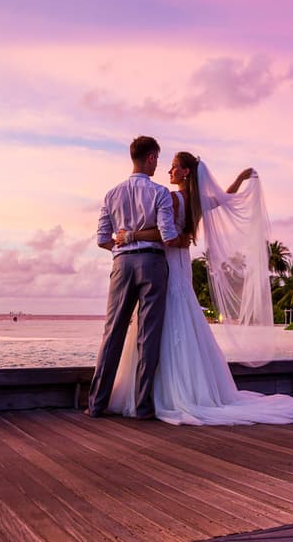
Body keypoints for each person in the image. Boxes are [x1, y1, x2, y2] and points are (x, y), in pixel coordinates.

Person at [106, 152, 293, 425]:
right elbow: (226, 198)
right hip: (182, 266)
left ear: (186, 172)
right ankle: (191, 388)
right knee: (183, 318)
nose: (169, 172)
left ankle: (161, 392)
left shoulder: (172, 198)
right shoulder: (198, 201)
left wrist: (130, 235)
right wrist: (240, 179)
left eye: (174, 168)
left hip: (167, 264)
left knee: (156, 325)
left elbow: (166, 236)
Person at [86, 136, 185, 420]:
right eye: (158, 159)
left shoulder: (111, 194)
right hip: (152, 263)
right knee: (148, 335)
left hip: (122, 264)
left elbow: (102, 239)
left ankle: (96, 404)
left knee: (112, 332)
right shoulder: (160, 193)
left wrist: (122, 245)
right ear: (151, 157)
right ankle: (143, 407)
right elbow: (168, 236)